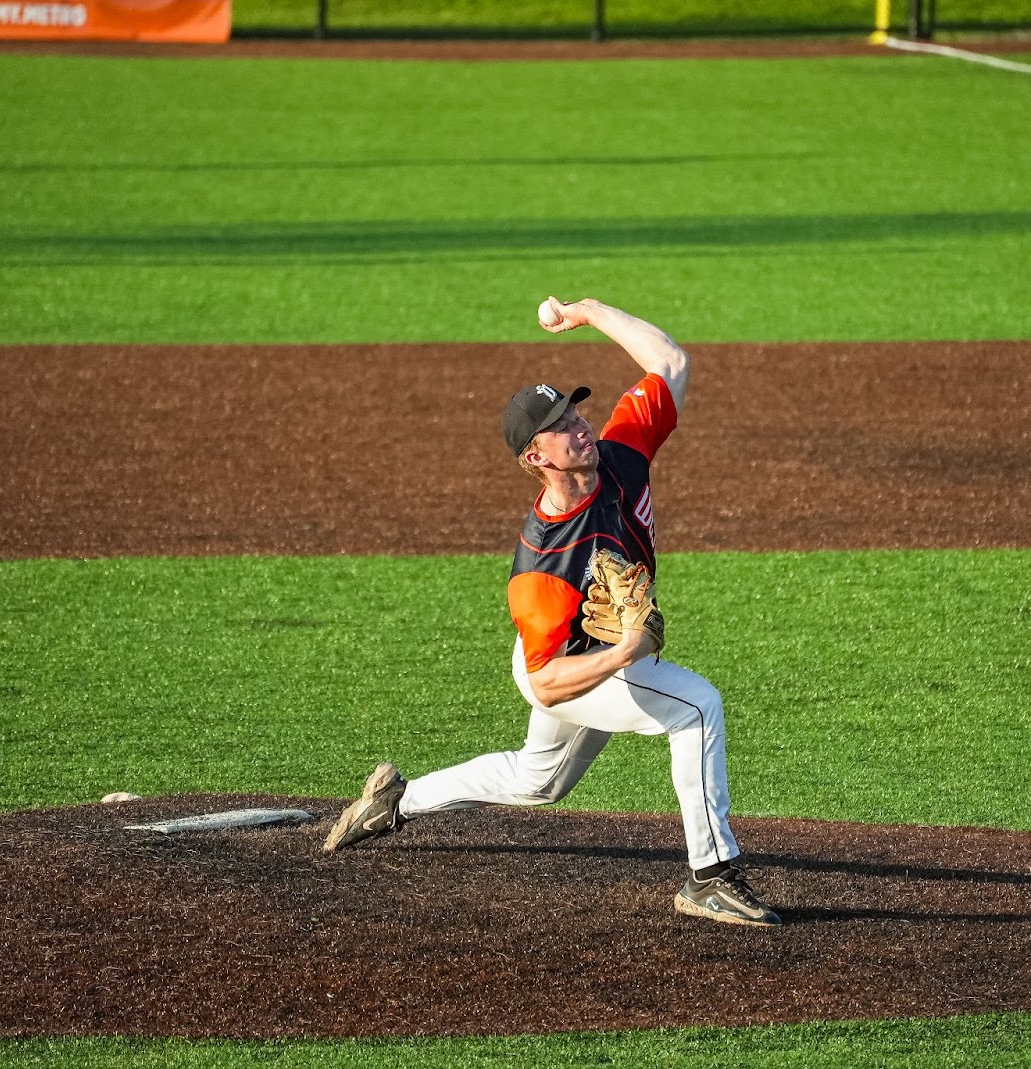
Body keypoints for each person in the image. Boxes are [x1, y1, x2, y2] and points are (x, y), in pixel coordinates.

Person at [323, 298, 780, 929]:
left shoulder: (621, 456)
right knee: (697, 708)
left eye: (575, 411)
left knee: (540, 782)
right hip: (565, 665)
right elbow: (544, 684)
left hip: (594, 654)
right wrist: (626, 652)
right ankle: (711, 876)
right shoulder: (542, 564)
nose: (580, 425)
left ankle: (397, 802)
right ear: (536, 459)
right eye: (561, 425)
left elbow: (671, 361)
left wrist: (591, 311)